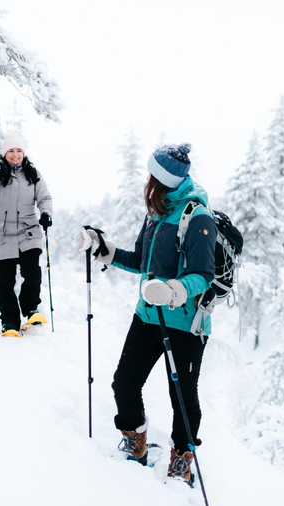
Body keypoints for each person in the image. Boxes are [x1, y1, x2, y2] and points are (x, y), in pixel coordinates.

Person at [80, 143, 216, 485]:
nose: (147, 181)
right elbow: (143, 261)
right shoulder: (157, 211)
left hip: (186, 324)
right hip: (147, 315)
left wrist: (174, 291)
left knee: (183, 398)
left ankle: (182, 459)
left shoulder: (197, 217)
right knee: (124, 381)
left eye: (153, 175)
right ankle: (135, 441)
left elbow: (203, 274)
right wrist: (104, 249)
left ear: (164, 180)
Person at [0, 133, 53, 337]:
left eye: (19, 151)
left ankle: (32, 309)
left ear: (24, 153)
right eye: (11, 151)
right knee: (5, 282)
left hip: (28, 232)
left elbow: (44, 197)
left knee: (32, 272)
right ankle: (9, 321)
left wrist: (46, 213)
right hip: (2, 234)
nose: (15, 155)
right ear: (4, 153)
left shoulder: (32, 173)